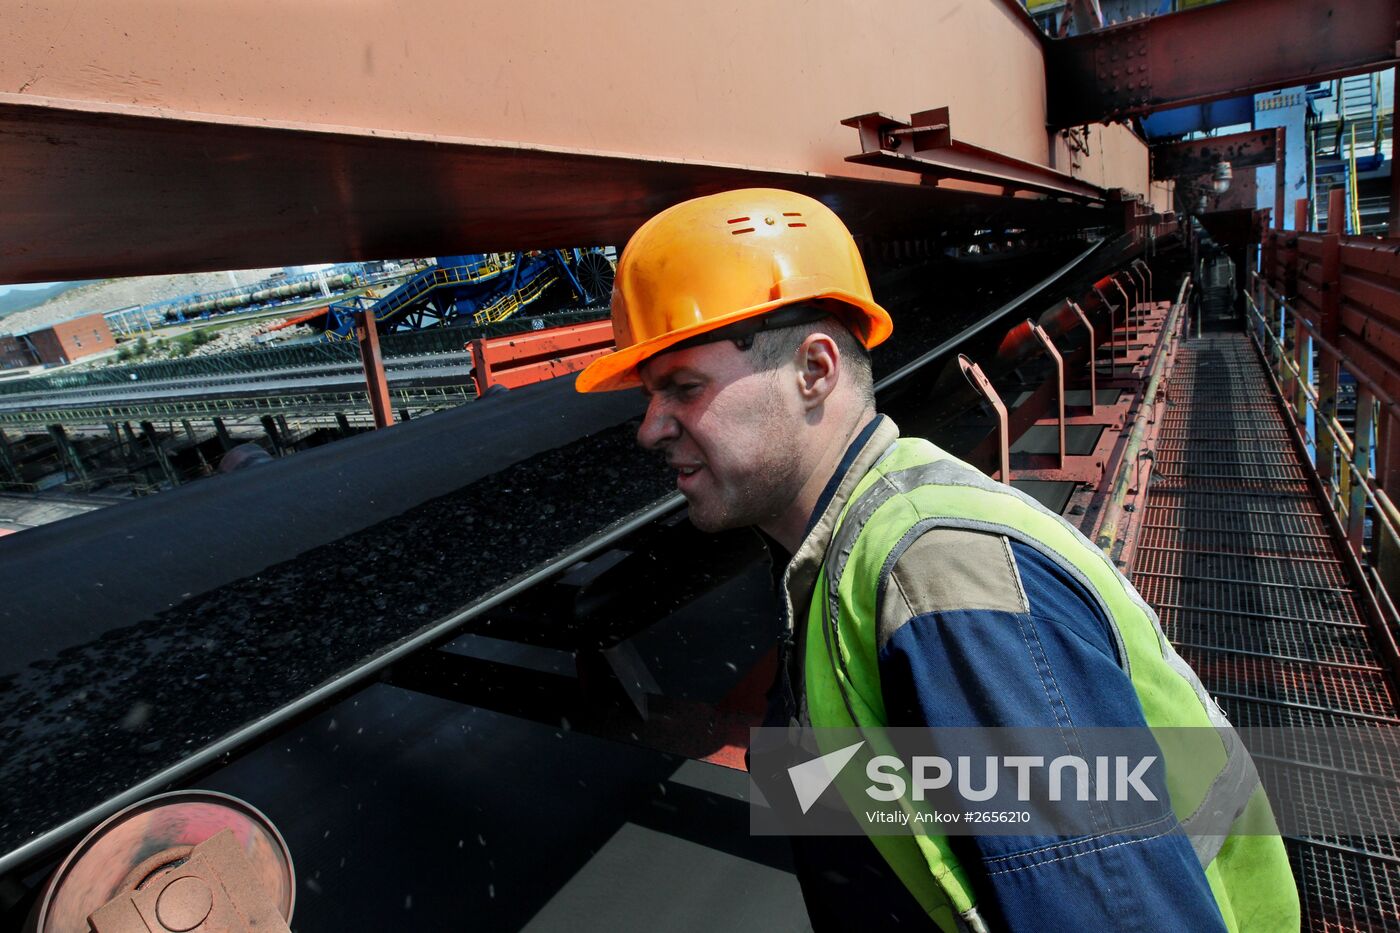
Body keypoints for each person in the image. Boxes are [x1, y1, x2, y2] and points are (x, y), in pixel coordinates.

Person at [575, 188, 1299, 932]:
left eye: (683, 389)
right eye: (649, 396)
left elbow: (1121, 911)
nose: (650, 428)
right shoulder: (835, 559)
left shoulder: (940, 583)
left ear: (814, 370)